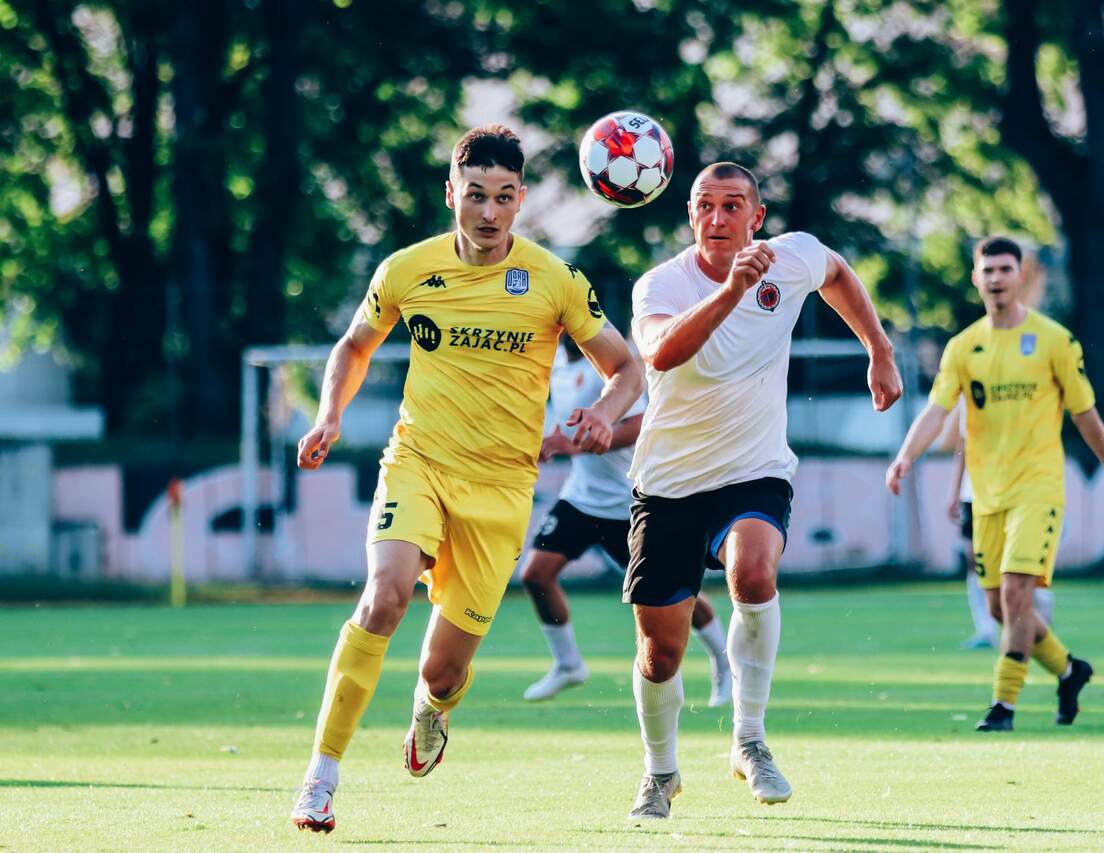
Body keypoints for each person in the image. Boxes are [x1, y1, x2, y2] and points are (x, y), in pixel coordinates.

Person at [288, 125, 643, 833]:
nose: (489, 211)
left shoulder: (554, 279)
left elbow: (626, 367)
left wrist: (604, 415)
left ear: (521, 200)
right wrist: (329, 415)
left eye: (504, 197)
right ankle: (319, 777)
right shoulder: (406, 269)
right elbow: (355, 345)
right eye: (476, 195)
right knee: (384, 596)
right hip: (417, 462)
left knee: (441, 673)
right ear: (450, 193)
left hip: (503, 489)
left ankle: (433, 709)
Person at [624, 162, 903, 819]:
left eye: (732, 206)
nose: (717, 218)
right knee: (661, 654)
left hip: (754, 470)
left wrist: (879, 348)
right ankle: (660, 772)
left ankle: (749, 739)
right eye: (705, 206)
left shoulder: (791, 255)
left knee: (752, 573)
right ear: (690, 214)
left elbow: (836, 272)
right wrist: (732, 290)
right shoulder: (661, 284)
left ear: (758, 217)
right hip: (668, 484)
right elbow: (662, 352)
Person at [887, 236, 1104, 733]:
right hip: (986, 494)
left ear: (1021, 276)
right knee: (1000, 608)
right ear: (975, 278)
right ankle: (1069, 670)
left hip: (1038, 489)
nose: (997, 278)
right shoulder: (963, 347)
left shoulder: (1054, 340)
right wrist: (905, 456)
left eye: (1006, 269)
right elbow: (938, 411)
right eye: (989, 270)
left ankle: (1002, 706)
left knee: (1017, 594)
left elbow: (1085, 414)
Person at [521, 338, 734, 705]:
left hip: (626, 503)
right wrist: (551, 440)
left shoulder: (607, 367)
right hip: (581, 498)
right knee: (535, 575)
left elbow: (639, 424)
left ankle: (725, 662)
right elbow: (567, 423)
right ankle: (569, 664)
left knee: (672, 594)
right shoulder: (555, 362)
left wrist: (578, 444)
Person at [944, 407, 1054, 650]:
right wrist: (955, 490)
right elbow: (963, 444)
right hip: (974, 492)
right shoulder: (967, 395)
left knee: (1013, 563)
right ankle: (985, 630)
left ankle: (1040, 604)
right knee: (973, 558)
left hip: (1010, 490)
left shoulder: (1013, 395)